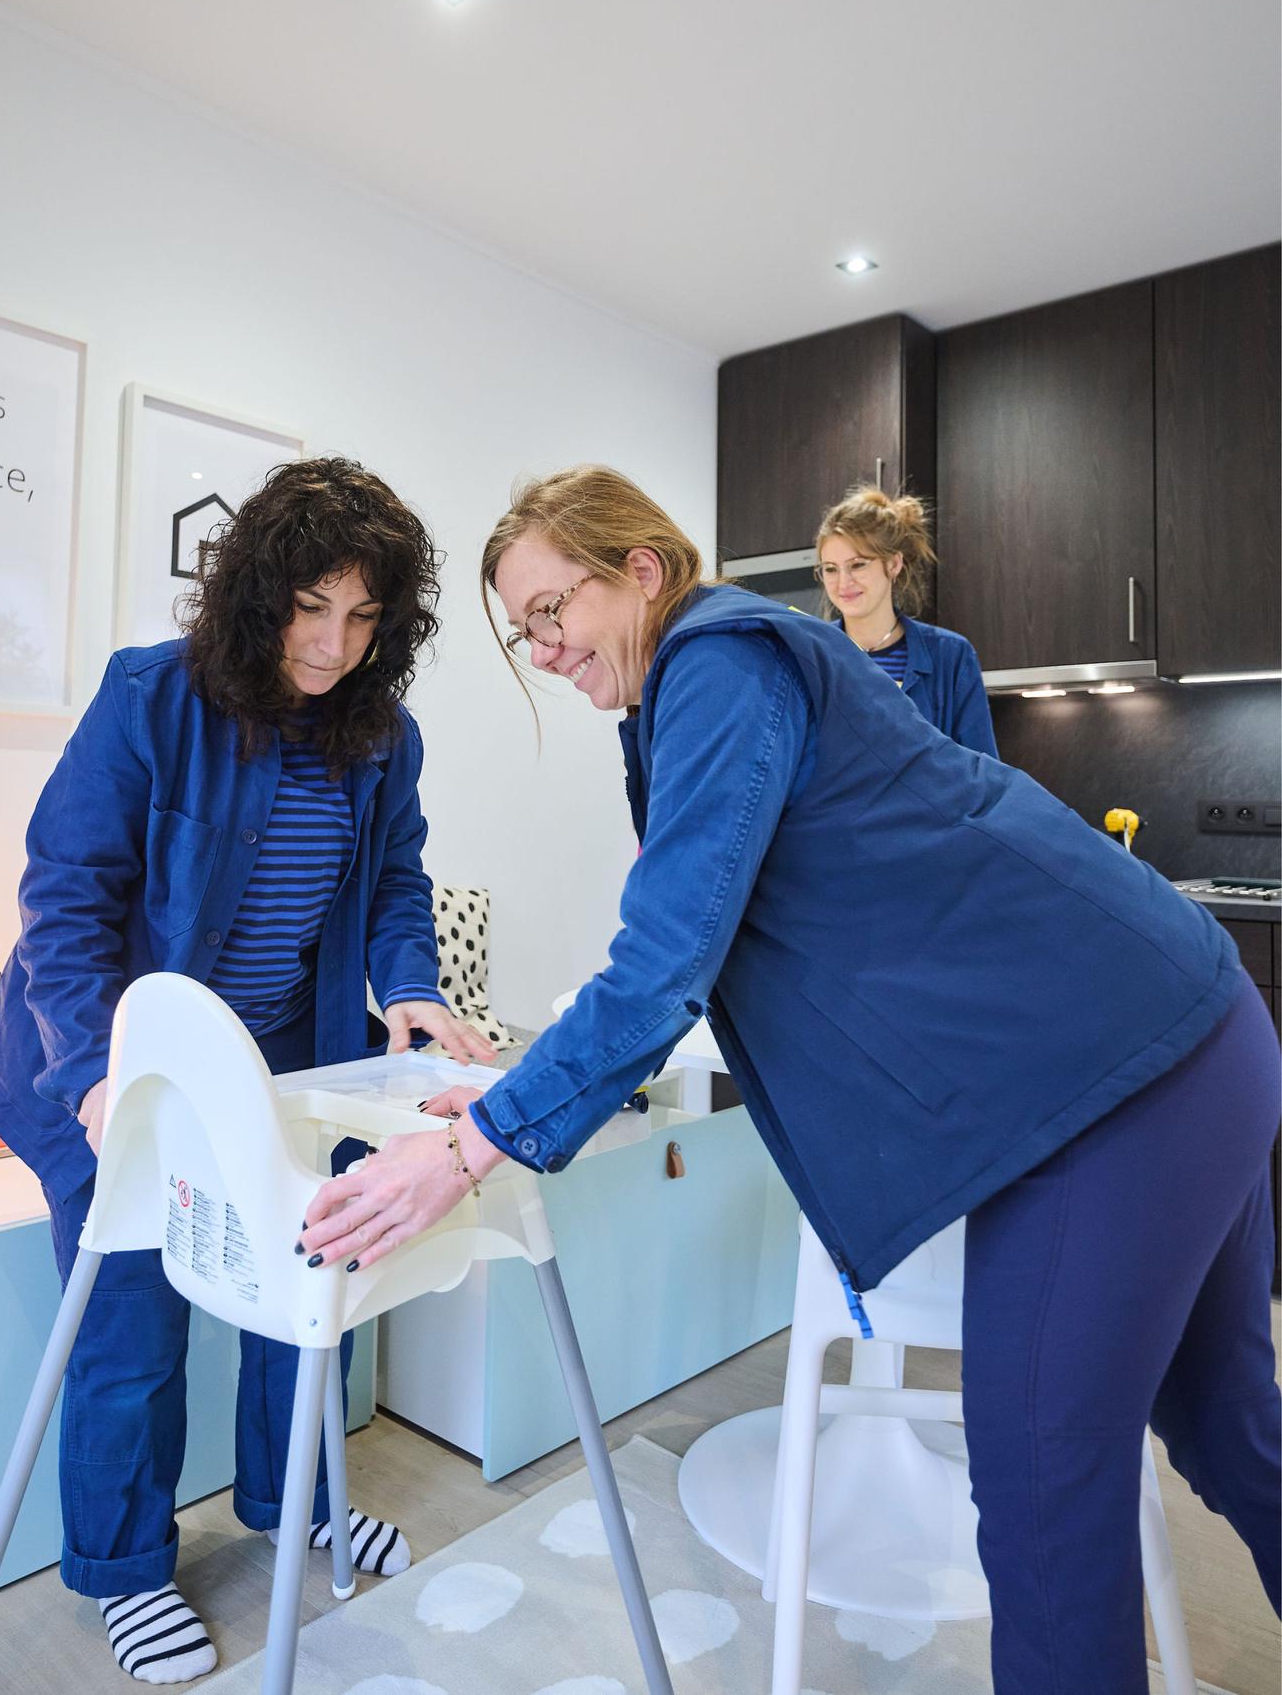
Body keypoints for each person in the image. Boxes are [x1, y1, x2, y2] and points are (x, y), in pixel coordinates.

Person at [300, 465, 1281, 1694]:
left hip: (1117, 1078)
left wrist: (468, 1147)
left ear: (640, 571)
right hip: (1189, 1024)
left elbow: (664, 958)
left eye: (550, 610)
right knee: (1225, 1425)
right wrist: (507, 1098)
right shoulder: (708, 691)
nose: (540, 650)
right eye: (521, 628)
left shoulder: (718, 659)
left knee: (1041, 1497)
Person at [0, 457, 495, 1686]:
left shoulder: (383, 736)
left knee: (308, 1270)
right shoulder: (150, 698)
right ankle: (123, 1567)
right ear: (256, 594)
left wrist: (410, 981)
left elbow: (396, 882)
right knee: (133, 1318)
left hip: (274, 1054)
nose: (333, 644)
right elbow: (66, 897)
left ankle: (292, 1499)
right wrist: (103, 1080)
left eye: (365, 618)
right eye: (312, 608)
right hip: (93, 1057)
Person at [816, 482, 997, 755]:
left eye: (858, 565)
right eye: (830, 569)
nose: (843, 583)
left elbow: (982, 770)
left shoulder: (951, 656)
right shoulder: (812, 654)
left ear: (893, 564)